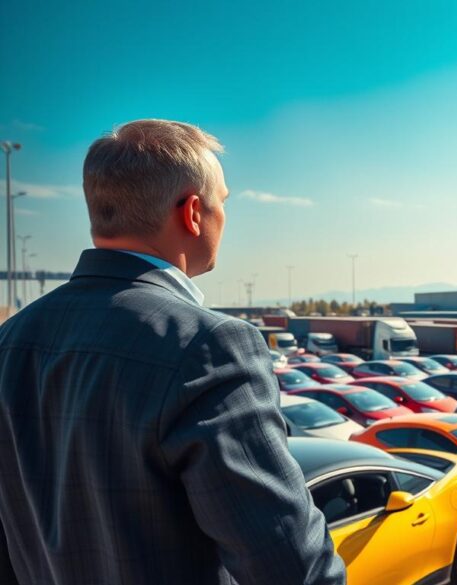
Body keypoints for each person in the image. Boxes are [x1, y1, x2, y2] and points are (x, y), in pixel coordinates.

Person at [0, 119, 346, 584]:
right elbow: (290, 567)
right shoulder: (208, 346)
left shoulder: (11, 340)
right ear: (193, 213)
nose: (225, 216)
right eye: (223, 201)